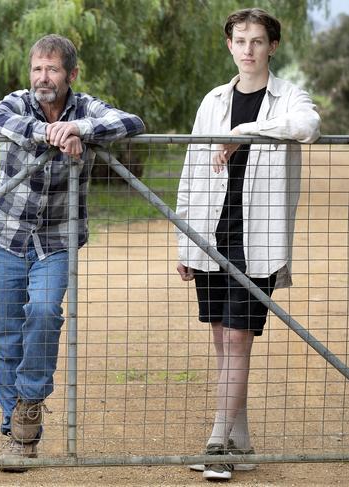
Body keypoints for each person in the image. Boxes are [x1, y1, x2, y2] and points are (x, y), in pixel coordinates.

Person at [0, 34, 145, 471]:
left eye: (52, 69)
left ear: (71, 74)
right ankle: (13, 434)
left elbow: (132, 122)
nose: (43, 77)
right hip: (5, 237)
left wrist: (79, 129)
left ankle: (29, 406)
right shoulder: (17, 102)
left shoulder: (86, 107)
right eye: (37, 68)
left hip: (56, 239)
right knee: (6, 336)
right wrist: (49, 134)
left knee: (44, 311)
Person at [175, 8, 320, 481]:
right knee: (223, 342)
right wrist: (185, 241)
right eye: (241, 40)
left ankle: (218, 446)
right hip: (212, 235)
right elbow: (192, 172)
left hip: (258, 240)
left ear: (272, 47)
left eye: (258, 41)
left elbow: (307, 126)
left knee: (239, 339)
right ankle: (243, 442)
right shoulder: (212, 100)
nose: (249, 49)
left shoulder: (288, 97)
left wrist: (244, 133)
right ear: (230, 45)